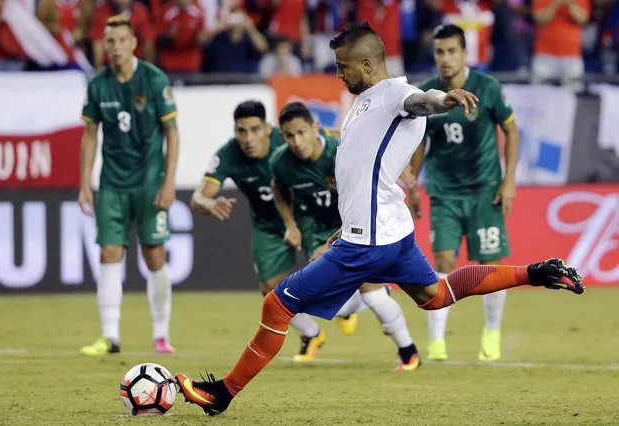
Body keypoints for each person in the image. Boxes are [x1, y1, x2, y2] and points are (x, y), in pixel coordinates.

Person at [174, 21, 584, 416]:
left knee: (276, 306)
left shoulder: (393, 93)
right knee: (436, 297)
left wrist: (444, 99)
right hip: (387, 230)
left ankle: (222, 393)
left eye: (342, 67)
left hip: (369, 242)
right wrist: (343, 227)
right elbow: (361, 173)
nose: (338, 74)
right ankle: (537, 272)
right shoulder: (363, 104)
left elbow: (418, 101)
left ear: (367, 64)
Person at [191, 100, 358, 362]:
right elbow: (198, 199)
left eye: (255, 129)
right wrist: (210, 203)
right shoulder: (227, 155)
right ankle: (312, 334)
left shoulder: (290, 139)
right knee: (270, 290)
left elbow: (333, 137)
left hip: (307, 216)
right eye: (241, 131)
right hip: (267, 226)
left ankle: (347, 307)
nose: (248, 138)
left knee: (324, 277)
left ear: (268, 129)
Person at [271, 101, 422, 371]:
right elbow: (279, 187)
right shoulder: (281, 162)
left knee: (371, 292)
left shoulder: (341, 150)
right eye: (290, 136)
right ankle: (354, 306)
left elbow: (375, 171)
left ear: (315, 128)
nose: (297, 141)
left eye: (302, 132)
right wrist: (290, 224)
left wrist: (403, 181)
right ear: (282, 136)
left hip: (356, 221)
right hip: (318, 230)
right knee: (330, 298)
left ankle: (409, 353)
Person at [408, 23, 520, 362]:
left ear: (465, 53)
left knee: (489, 263)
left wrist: (509, 180)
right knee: (442, 261)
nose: (445, 58)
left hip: (485, 191)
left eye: (451, 51)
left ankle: (491, 330)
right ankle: (438, 342)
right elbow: (419, 140)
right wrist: (412, 181)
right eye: (439, 52)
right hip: (443, 193)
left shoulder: (486, 87)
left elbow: (511, 131)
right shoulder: (427, 93)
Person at [79, 15, 179, 356]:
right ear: (104, 46)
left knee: (154, 254)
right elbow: (90, 136)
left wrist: (169, 183)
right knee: (109, 252)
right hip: (112, 184)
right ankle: (110, 337)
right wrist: (84, 183)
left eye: (122, 40)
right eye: (110, 41)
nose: (116, 47)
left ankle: (161, 334)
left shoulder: (153, 79)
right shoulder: (98, 84)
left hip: (150, 183)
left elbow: (172, 133)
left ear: (133, 43)